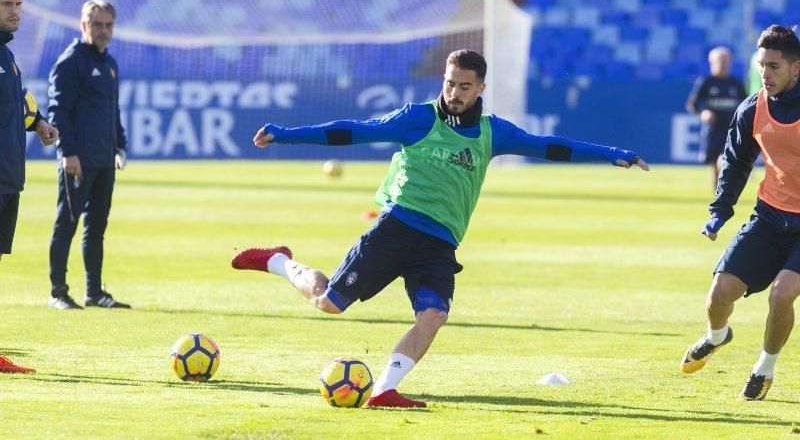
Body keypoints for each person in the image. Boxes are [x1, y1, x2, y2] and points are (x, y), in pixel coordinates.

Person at [232, 49, 649, 407]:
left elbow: (550, 146)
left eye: (464, 86)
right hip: (395, 229)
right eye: (450, 83)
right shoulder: (418, 119)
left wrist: (612, 154)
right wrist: (285, 134)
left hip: (440, 243)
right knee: (329, 303)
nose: (453, 93)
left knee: (433, 315)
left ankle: (383, 391)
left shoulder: (492, 133)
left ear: (481, 88)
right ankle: (280, 262)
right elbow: (353, 132)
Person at [680, 25, 800, 401]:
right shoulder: (752, 107)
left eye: (775, 66)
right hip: (769, 216)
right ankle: (718, 337)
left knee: (782, 294)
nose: (765, 73)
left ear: (796, 68)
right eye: (761, 65)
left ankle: (764, 369)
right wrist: (720, 210)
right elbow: (735, 161)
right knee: (719, 294)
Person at [47, 0, 130, 310]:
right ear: (83, 25)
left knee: (96, 228)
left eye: (108, 25)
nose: (103, 31)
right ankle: (58, 292)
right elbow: (58, 111)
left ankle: (94, 292)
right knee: (66, 224)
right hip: (77, 160)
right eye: (97, 24)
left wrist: (119, 147)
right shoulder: (70, 62)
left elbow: (113, 112)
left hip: (104, 159)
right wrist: (67, 152)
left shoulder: (109, 64)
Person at [0, 0, 59, 373]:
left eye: (19, 4)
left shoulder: (7, 57)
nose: (16, 11)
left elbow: (20, 102)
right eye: (7, 4)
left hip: (7, 179)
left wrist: (38, 123)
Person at [685, 46, 747, 192]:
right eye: (721, 60)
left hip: (731, 129)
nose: (724, 64)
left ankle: (723, 190)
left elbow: (746, 104)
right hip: (712, 129)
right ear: (711, 62)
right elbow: (692, 105)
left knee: (724, 159)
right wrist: (703, 113)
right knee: (713, 164)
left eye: (727, 61)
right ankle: (718, 192)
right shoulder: (706, 82)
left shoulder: (736, 83)